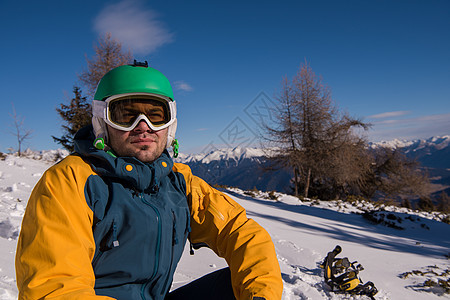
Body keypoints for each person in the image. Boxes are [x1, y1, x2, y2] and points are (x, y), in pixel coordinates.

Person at [15, 61, 283, 300]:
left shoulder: (178, 181)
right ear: (102, 123)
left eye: (156, 115)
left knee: (235, 285)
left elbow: (241, 233)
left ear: (170, 124)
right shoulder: (71, 181)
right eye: (125, 115)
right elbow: (55, 288)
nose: (143, 125)